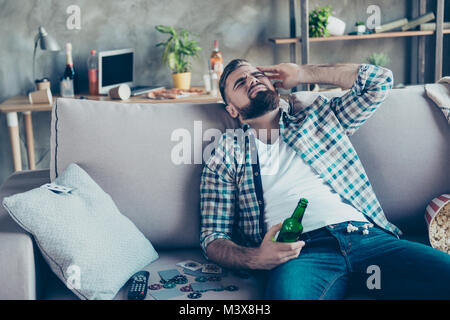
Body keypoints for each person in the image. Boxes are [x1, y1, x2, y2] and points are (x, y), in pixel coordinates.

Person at [199, 59, 450, 299]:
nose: (252, 80)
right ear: (231, 109)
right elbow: (213, 236)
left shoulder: (319, 117)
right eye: (240, 83)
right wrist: (257, 258)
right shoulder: (226, 151)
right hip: (300, 253)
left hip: (368, 237)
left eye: (257, 74)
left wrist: (303, 74)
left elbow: (379, 81)